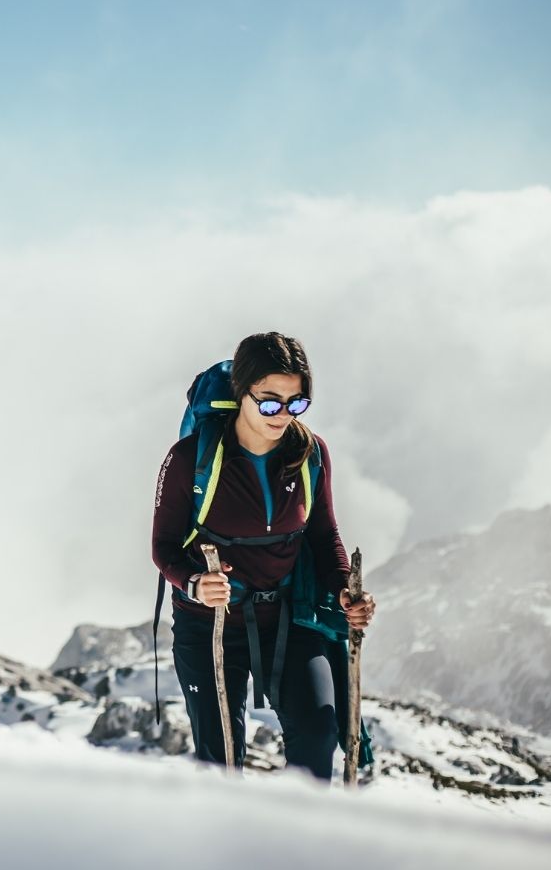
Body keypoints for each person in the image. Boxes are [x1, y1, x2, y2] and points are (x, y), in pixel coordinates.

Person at [151, 332, 376, 780]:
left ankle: (298, 844)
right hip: (207, 623)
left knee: (317, 733)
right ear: (242, 393)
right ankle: (227, 844)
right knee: (221, 760)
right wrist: (196, 583)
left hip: (288, 618)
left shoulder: (310, 454)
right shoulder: (190, 458)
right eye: (270, 402)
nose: (283, 416)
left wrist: (344, 593)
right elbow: (163, 547)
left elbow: (323, 535)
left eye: (296, 403)